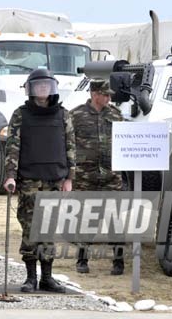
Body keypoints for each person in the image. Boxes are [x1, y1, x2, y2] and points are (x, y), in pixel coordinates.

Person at [3, 68, 75, 293]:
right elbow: (12, 146)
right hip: (30, 181)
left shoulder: (63, 114)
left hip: (55, 179)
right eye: (38, 86)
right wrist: (10, 176)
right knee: (30, 227)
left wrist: (70, 177)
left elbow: (70, 146)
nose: (42, 89)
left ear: (52, 88)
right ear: (31, 89)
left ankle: (47, 277)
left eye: (46, 85)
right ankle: (31, 278)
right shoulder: (21, 114)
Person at [70, 79, 125, 275]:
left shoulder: (116, 115)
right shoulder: (76, 115)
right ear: (95, 94)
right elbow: (67, 144)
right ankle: (82, 260)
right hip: (85, 177)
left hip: (111, 175)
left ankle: (118, 262)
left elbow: (125, 141)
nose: (109, 98)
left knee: (115, 218)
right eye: (106, 94)